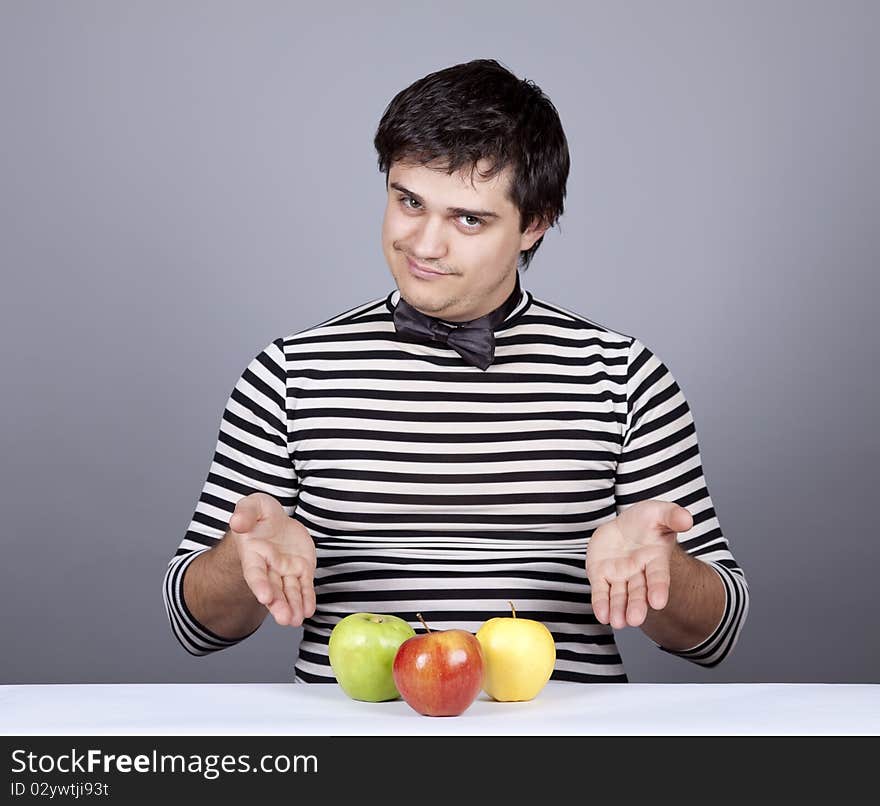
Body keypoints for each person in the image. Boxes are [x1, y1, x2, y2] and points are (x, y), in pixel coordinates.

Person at [163, 58, 749, 683]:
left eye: (468, 218)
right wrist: (240, 558)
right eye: (408, 201)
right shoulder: (288, 373)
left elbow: (713, 636)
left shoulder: (623, 376)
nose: (425, 245)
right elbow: (196, 625)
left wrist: (664, 566)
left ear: (535, 223)